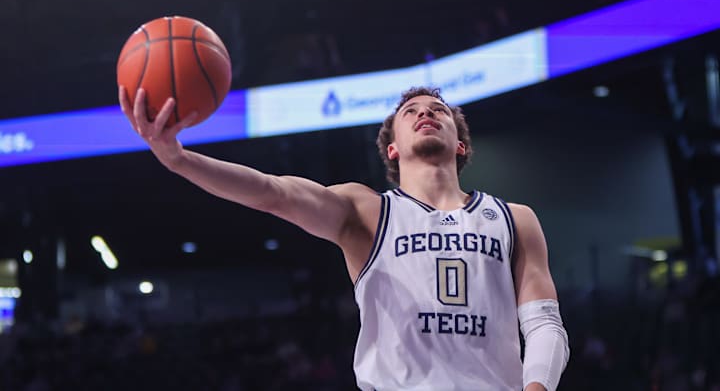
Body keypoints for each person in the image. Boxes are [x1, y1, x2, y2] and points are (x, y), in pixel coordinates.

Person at [119, 85, 570, 391]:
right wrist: (178, 159)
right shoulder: (366, 211)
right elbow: (272, 192)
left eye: (437, 110)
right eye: (410, 112)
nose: (426, 113)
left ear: (461, 145)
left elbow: (545, 324)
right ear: (392, 147)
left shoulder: (514, 219)